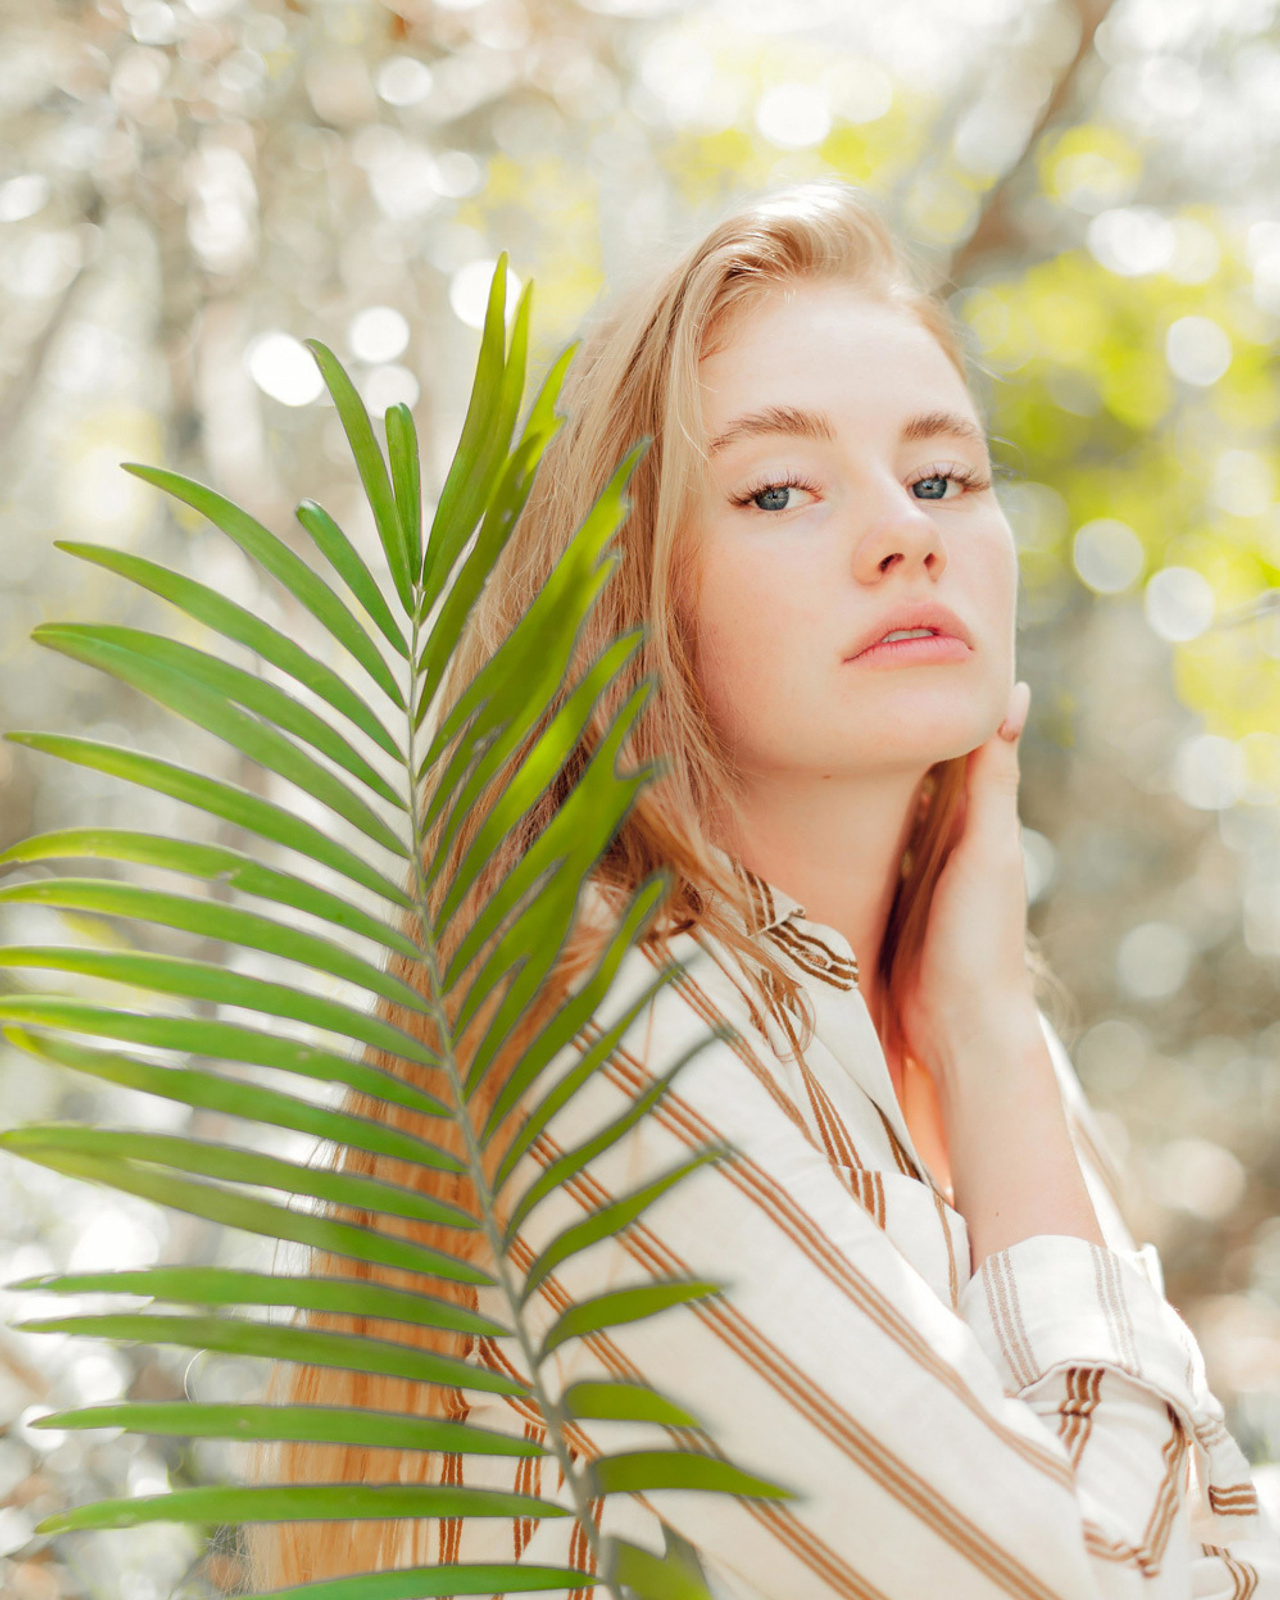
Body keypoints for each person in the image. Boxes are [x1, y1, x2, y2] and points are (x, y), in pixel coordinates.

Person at [251, 182, 1280, 1597]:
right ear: (632, 596)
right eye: (778, 490)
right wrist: (982, 1029)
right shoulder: (599, 1020)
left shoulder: (965, 1029)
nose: (903, 535)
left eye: (942, 479)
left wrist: (983, 1032)